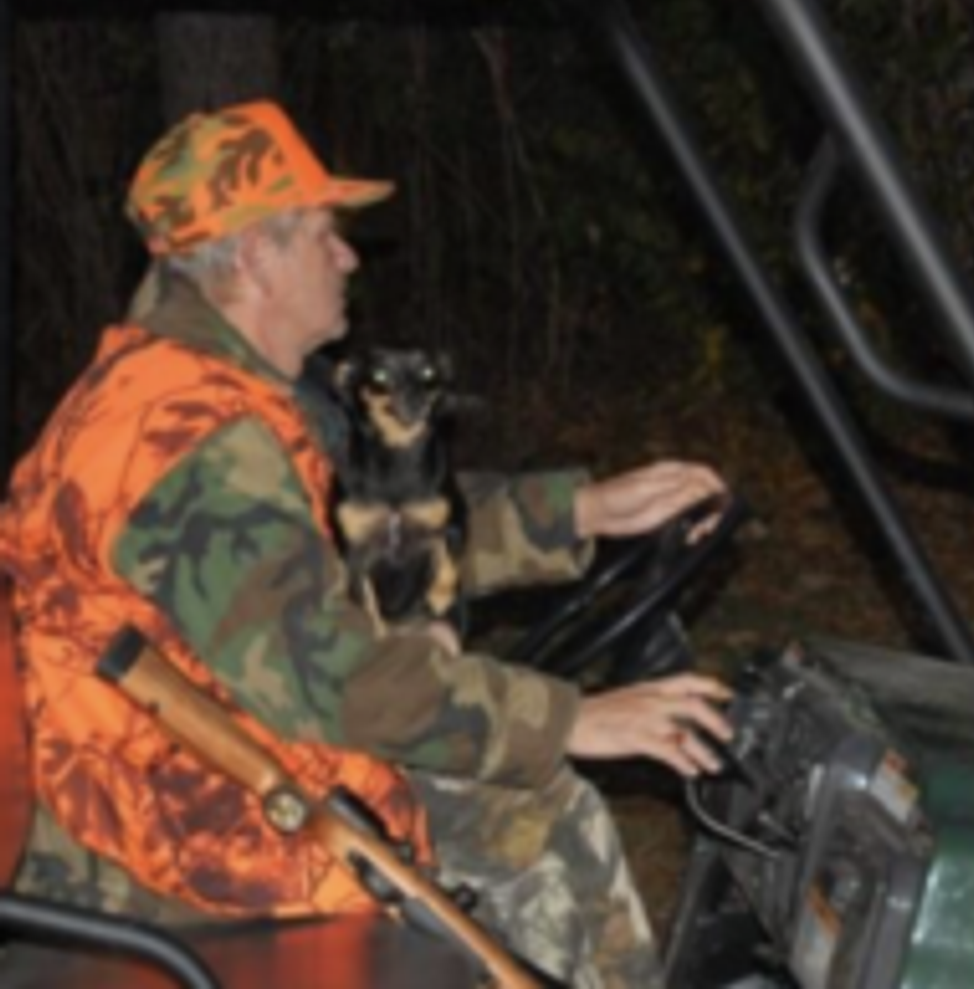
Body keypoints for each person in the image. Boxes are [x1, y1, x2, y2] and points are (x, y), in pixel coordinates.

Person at [0, 100, 733, 988]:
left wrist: (576, 514)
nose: (348, 258)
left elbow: (349, 543)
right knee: (540, 815)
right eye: (324, 234)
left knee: (541, 811)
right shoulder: (192, 444)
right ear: (256, 256)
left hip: (208, 774)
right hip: (165, 849)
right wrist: (574, 717)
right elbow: (338, 685)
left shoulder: (194, 389)